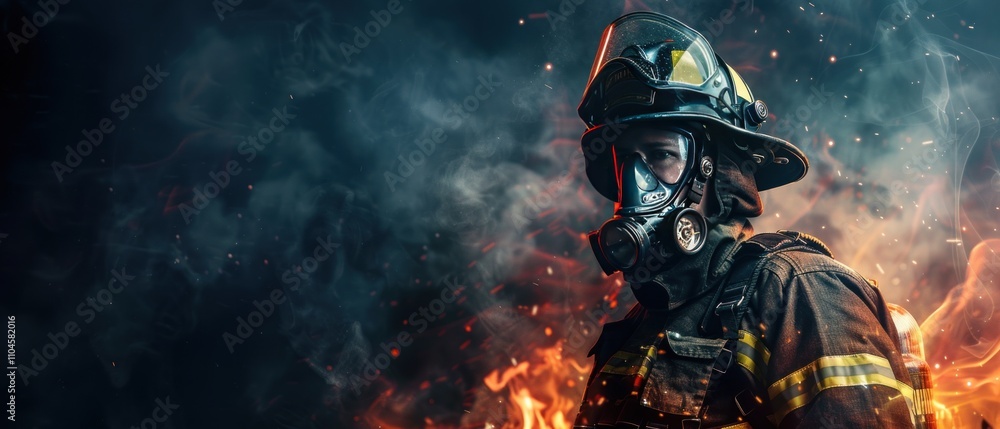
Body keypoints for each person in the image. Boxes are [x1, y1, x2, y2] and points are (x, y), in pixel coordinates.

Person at [573, 12, 920, 428]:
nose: (634, 184)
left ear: (716, 171)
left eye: (660, 155)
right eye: (624, 161)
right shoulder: (644, 319)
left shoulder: (800, 291)